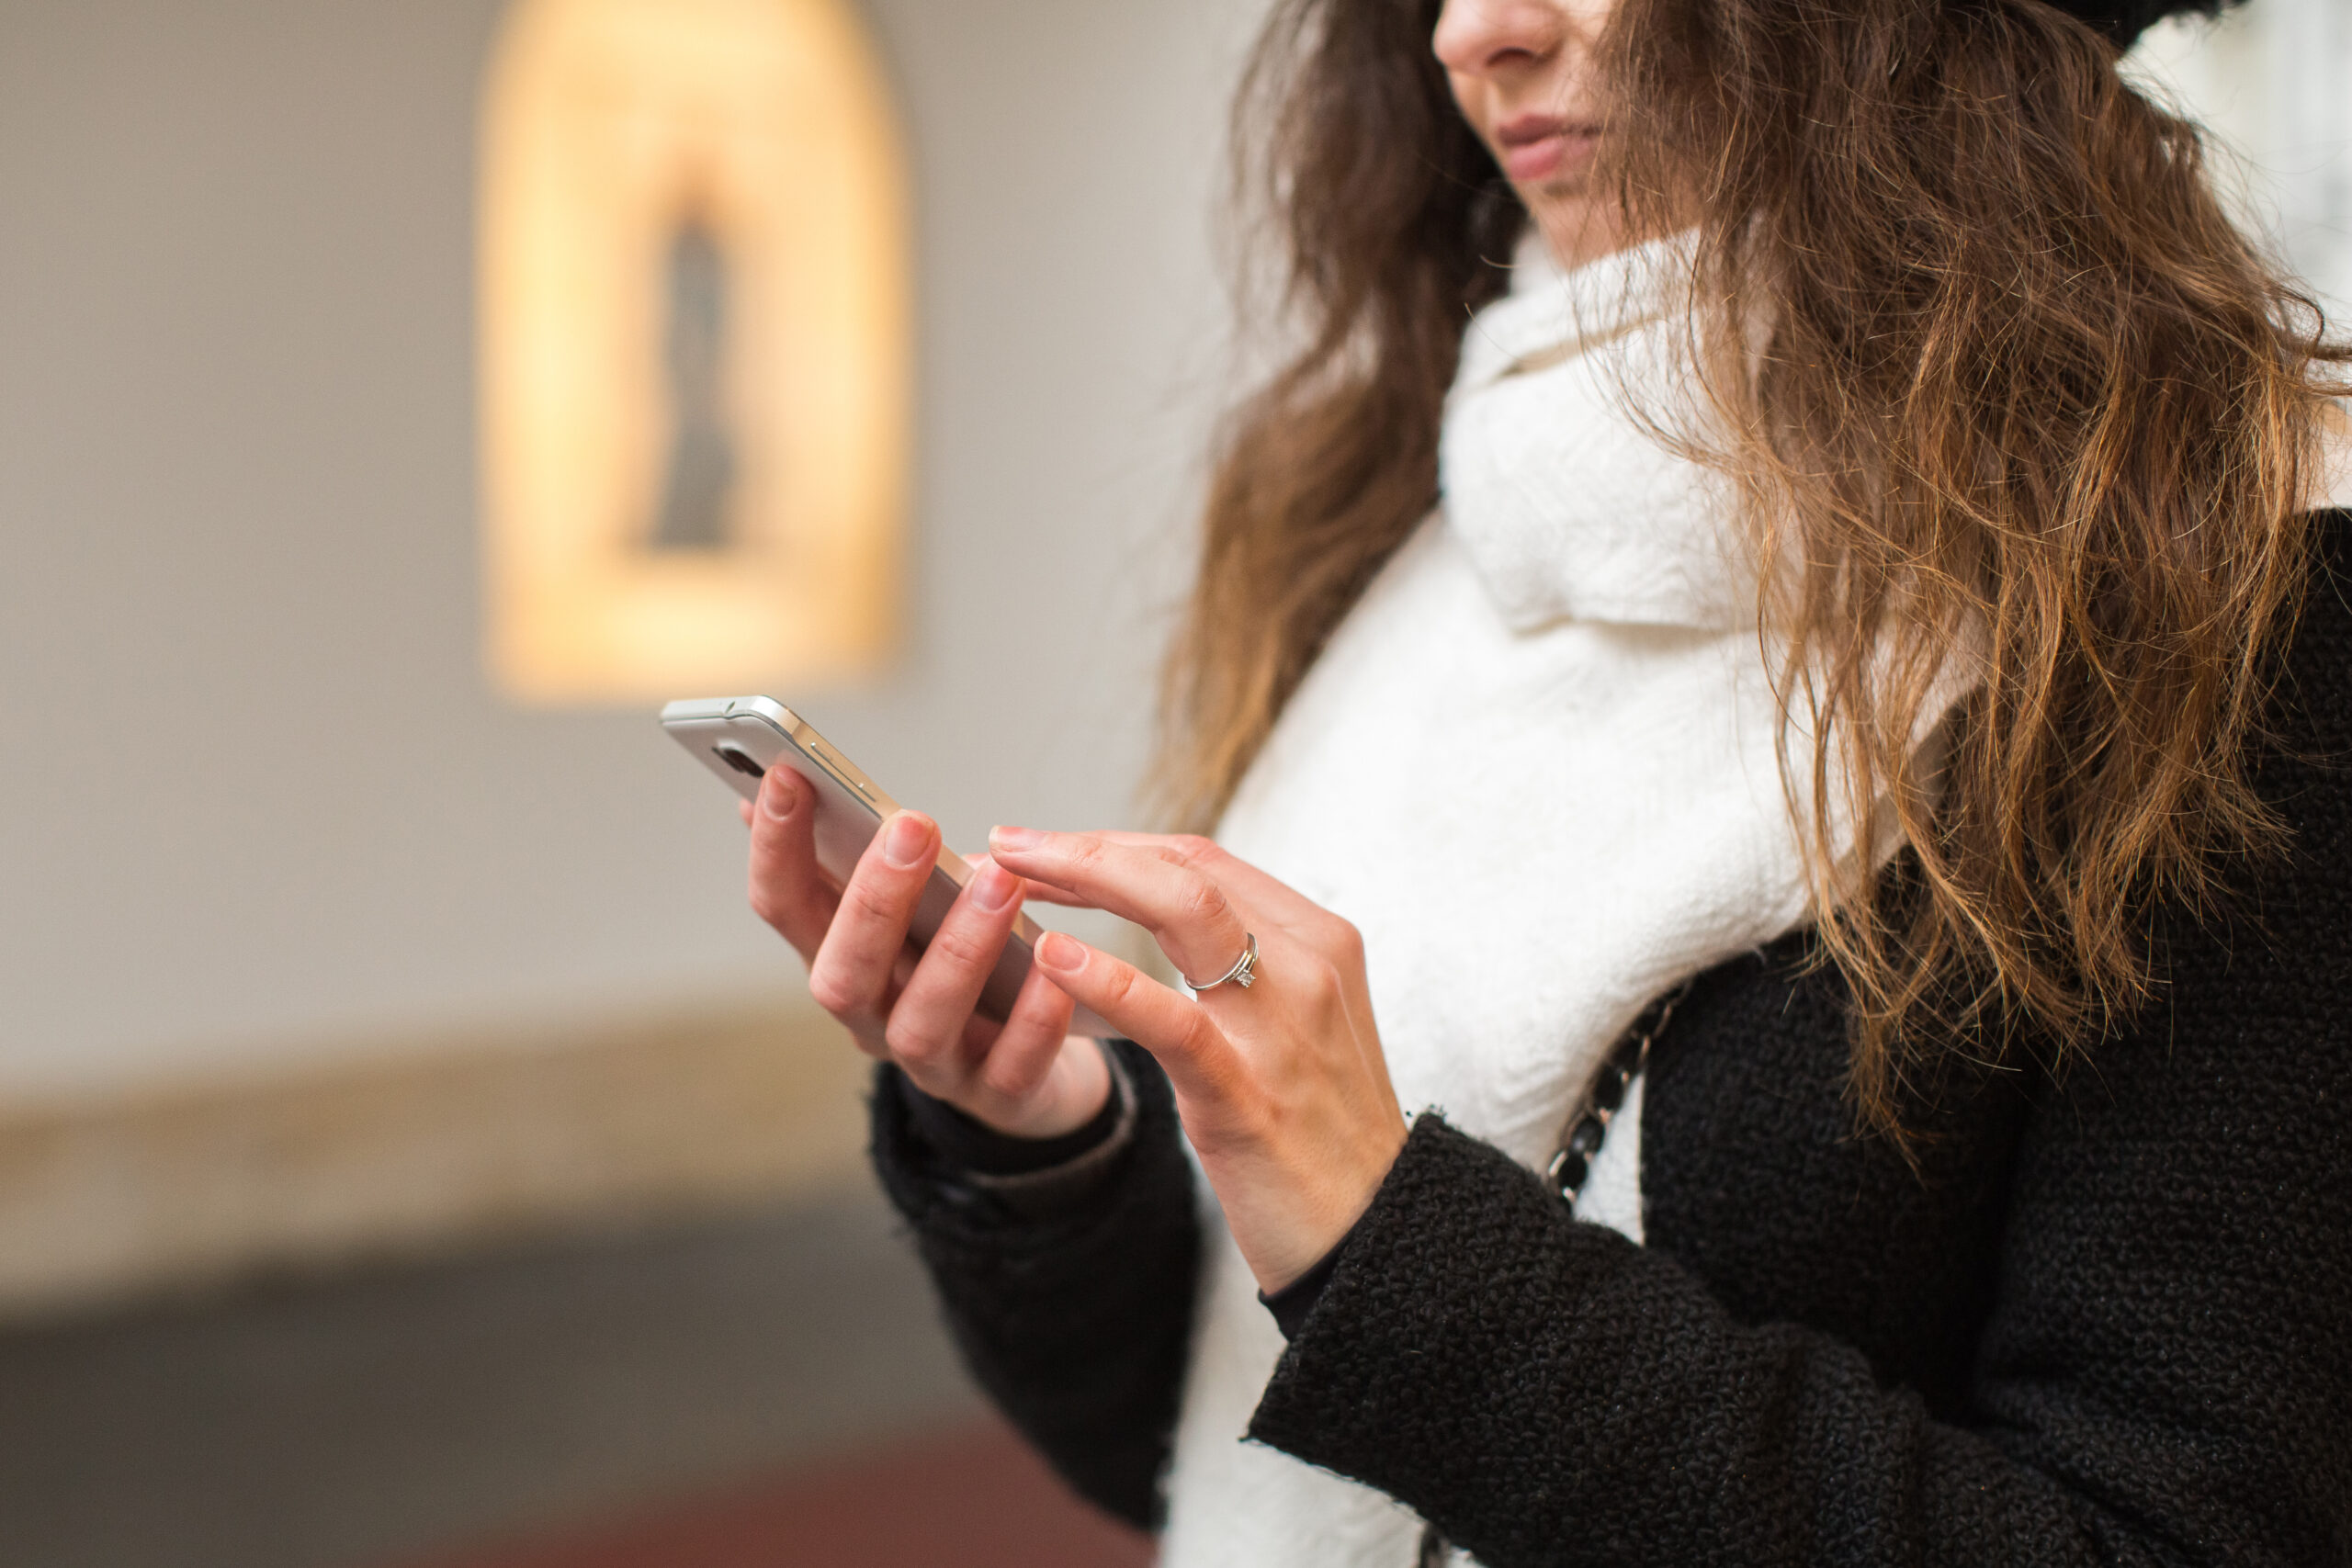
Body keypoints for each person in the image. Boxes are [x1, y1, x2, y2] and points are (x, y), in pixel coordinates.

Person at [739, 0, 2352, 1561]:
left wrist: (1394, 1251)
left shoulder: (2233, 598)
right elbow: (1218, 1456)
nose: (1471, 32)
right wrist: (1047, 1144)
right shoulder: (1414, 522)